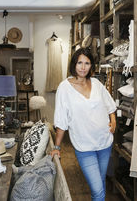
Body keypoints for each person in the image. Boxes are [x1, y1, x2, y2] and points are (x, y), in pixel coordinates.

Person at [50, 48, 117, 201]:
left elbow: (110, 105)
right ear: (74, 64)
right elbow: (61, 120)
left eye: (87, 63)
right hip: (84, 146)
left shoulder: (96, 83)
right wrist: (57, 147)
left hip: (104, 143)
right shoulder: (64, 88)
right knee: (98, 190)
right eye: (80, 62)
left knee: (99, 187)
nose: (83, 67)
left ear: (91, 66)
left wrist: (113, 122)